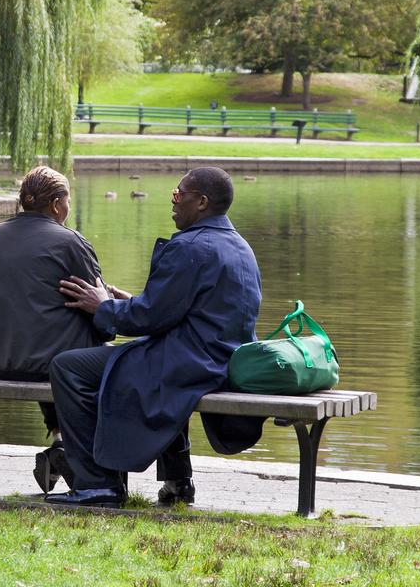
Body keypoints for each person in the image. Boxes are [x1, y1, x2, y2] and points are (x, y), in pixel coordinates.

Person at [48, 166, 263, 508]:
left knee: (69, 368)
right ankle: (178, 482)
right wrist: (128, 301)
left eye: (179, 195)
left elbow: (148, 319)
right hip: (223, 360)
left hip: (189, 364)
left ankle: (97, 484)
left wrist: (102, 307)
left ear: (202, 202)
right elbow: (185, 311)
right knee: (140, 371)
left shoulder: (191, 246)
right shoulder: (239, 246)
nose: (173, 201)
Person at [0, 166, 111, 492]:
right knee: (85, 357)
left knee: (49, 343)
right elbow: (102, 317)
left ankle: (61, 443)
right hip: (45, 365)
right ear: (58, 205)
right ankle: (80, 456)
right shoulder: (71, 243)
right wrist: (109, 309)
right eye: (69, 199)